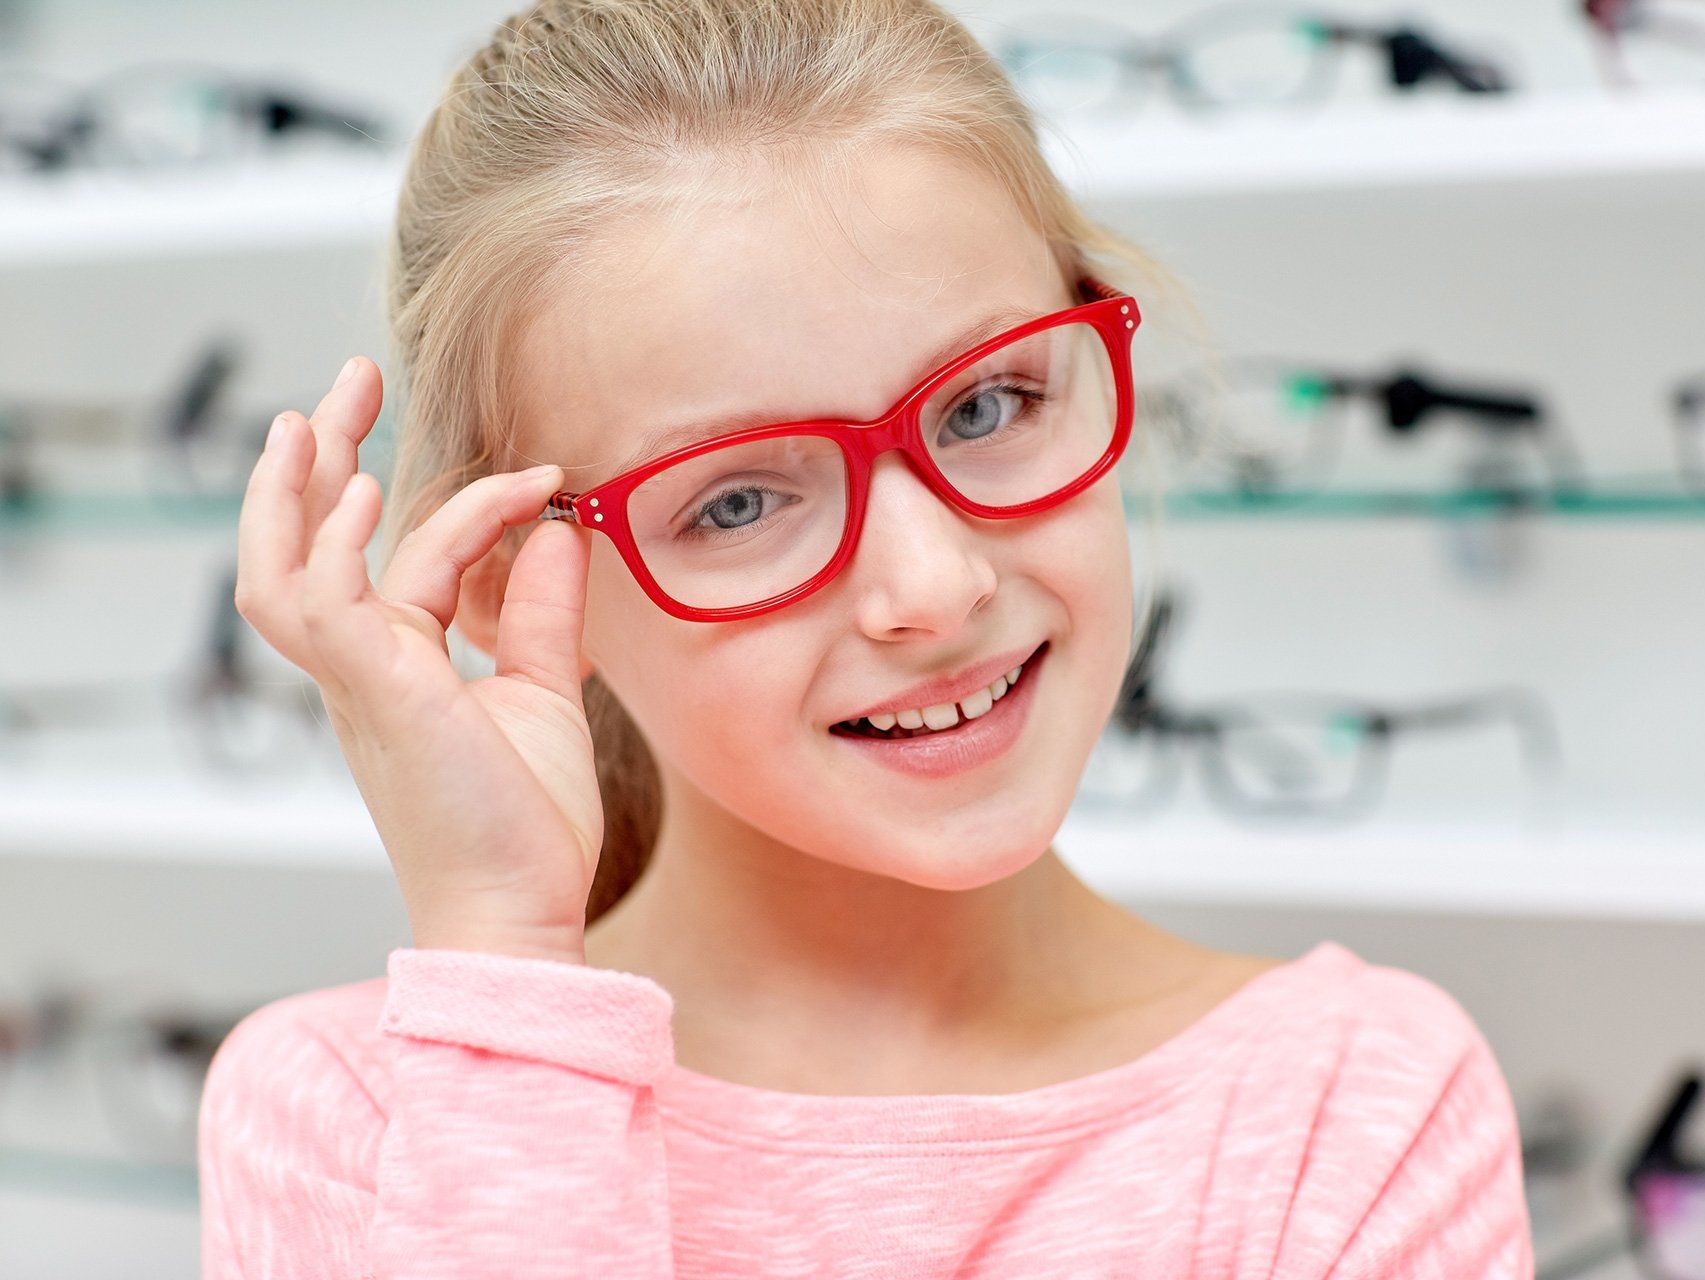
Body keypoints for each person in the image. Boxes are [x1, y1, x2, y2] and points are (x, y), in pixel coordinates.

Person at [198, 1, 1533, 1275]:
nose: (934, 586)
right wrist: (505, 952)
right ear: (511, 581)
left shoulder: (1350, 1115)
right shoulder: (354, 1127)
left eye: (987, 405)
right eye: (737, 500)